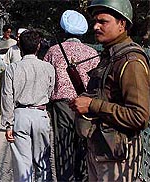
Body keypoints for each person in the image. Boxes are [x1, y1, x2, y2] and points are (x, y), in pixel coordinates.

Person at [69, 0, 150, 181]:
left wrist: (92, 105)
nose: (96, 27)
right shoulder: (111, 56)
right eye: (95, 22)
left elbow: (139, 116)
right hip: (101, 152)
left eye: (103, 22)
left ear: (122, 24)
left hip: (118, 161)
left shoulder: (131, 62)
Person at [43, 10, 100, 181]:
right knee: (84, 144)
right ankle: (82, 177)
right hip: (86, 104)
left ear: (64, 30)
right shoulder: (92, 53)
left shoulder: (53, 51)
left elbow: (47, 78)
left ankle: (65, 178)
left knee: (63, 146)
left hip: (62, 105)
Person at [1, 30, 55, 181]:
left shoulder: (12, 69)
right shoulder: (48, 68)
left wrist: (8, 124)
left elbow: (7, 97)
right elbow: (50, 90)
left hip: (20, 115)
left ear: (19, 46)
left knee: (22, 163)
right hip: (41, 114)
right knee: (43, 161)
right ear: (38, 46)